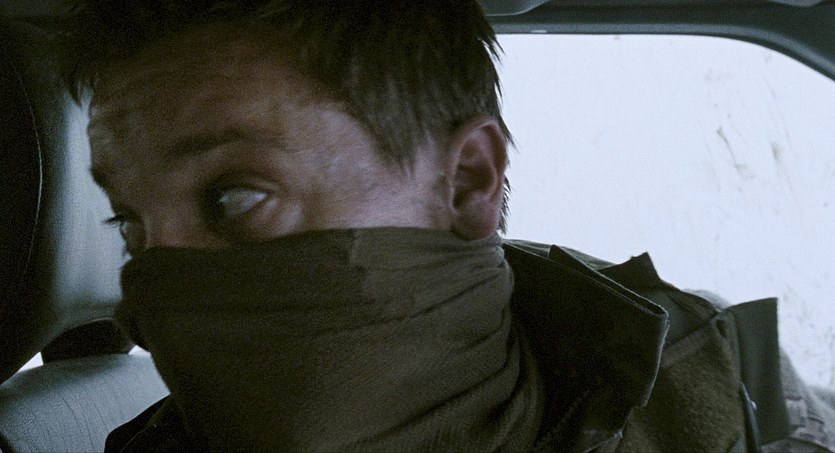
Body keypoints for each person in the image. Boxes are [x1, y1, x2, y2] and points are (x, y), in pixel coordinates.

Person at [61, 1, 834, 451]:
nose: (154, 295)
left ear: (466, 181)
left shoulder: (722, 381)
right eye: (130, 225)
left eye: (233, 198)